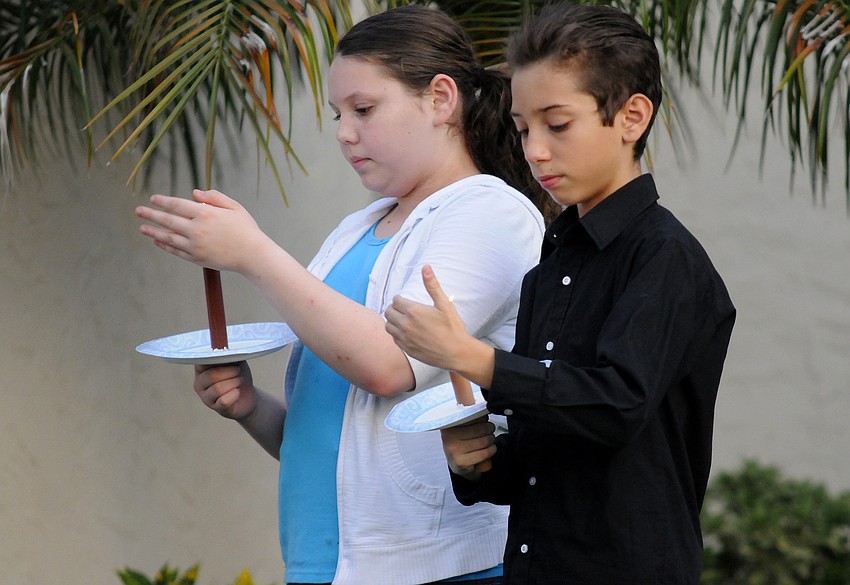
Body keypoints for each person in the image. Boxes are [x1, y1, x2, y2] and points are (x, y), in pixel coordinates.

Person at [135, 6, 549, 585]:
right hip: (322, 566)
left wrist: (253, 252)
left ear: (440, 99)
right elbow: (338, 446)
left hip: (434, 571)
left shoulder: (490, 212)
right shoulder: (356, 229)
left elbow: (389, 366)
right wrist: (251, 408)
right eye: (337, 114)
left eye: (364, 109)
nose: (344, 133)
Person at [384, 4, 737, 584]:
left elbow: (617, 405)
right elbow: (541, 453)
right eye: (523, 129)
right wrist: (476, 463)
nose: (535, 151)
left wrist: (472, 358)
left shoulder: (665, 256)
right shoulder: (548, 267)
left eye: (558, 123)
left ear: (631, 116)